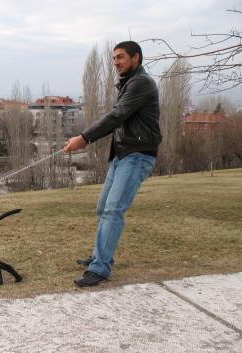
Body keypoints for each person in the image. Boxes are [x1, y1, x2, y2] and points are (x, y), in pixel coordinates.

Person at [64, 41, 161, 287]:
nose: (116, 62)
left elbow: (117, 116)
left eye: (120, 57)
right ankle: (100, 255)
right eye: (114, 58)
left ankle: (100, 268)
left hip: (137, 155)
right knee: (103, 209)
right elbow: (119, 119)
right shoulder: (129, 83)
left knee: (112, 211)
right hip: (122, 155)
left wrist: (84, 138)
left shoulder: (141, 83)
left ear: (136, 58)